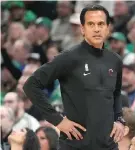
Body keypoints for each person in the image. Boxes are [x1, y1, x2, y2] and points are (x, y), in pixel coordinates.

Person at [23, 5, 125, 150]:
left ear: (108, 28)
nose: (96, 29)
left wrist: (120, 119)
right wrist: (57, 120)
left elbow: (115, 94)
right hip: (76, 145)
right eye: (91, 24)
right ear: (83, 29)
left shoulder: (115, 60)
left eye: (101, 24)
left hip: (108, 146)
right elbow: (31, 85)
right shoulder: (69, 57)